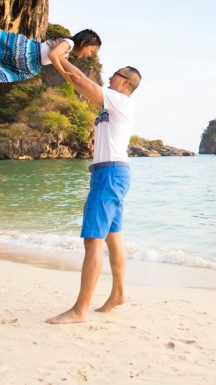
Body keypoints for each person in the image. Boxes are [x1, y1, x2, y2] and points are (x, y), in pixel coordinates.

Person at [47, 63, 142, 325]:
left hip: (109, 174)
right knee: (112, 236)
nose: (110, 76)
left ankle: (80, 310)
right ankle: (118, 294)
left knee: (93, 240)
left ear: (126, 82)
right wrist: (59, 63)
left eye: (116, 74)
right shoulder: (110, 104)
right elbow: (78, 83)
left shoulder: (119, 100)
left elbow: (80, 80)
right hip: (112, 173)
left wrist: (59, 57)